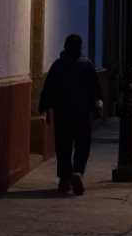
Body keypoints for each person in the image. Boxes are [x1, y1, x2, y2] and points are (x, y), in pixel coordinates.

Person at [38, 34, 103, 195]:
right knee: (83, 143)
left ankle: (65, 180)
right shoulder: (86, 64)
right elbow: (95, 88)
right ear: (80, 47)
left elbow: (48, 88)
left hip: (62, 113)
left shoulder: (58, 65)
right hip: (82, 113)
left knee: (63, 146)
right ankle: (78, 170)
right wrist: (98, 105)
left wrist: (45, 107)